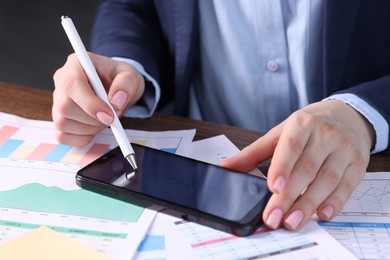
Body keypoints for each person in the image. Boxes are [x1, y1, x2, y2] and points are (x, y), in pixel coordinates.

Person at [52, 0, 390, 231]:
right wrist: (123, 68)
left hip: (366, 165)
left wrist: (364, 112)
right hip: (199, 147)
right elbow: (133, 7)